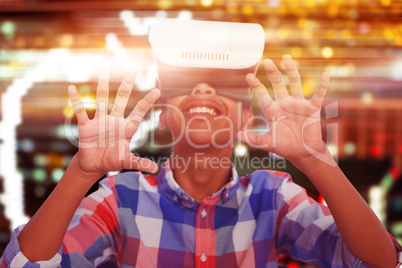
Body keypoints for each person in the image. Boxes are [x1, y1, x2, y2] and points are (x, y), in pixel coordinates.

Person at [0, 51, 401, 267]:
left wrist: (317, 160)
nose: (204, 89)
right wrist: (81, 172)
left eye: (221, 84)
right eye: (186, 82)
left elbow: (377, 262)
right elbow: (25, 266)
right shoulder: (119, 196)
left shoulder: (272, 194)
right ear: (164, 113)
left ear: (247, 116)